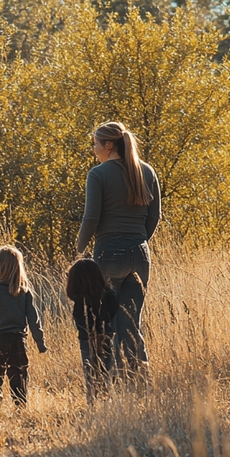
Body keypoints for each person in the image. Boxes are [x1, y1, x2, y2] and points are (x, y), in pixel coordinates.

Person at [76, 121, 161, 379]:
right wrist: (138, 240)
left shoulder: (98, 174)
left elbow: (91, 218)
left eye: (95, 143)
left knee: (106, 321)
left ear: (109, 145)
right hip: (140, 254)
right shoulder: (146, 171)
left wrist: (80, 249)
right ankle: (139, 378)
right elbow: (154, 216)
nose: (94, 149)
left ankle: (108, 379)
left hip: (108, 253)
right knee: (131, 320)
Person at [0, 246, 46, 410]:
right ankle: (20, 404)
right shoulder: (24, 291)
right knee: (19, 374)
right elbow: (34, 319)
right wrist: (40, 342)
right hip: (18, 339)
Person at [66, 258, 118, 403]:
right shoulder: (110, 295)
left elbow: (80, 323)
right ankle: (107, 398)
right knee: (107, 369)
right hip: (107, 336)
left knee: (90, 372)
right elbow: (112, 314)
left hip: (86, 339)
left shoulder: (79, 302)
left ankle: (92, 399)